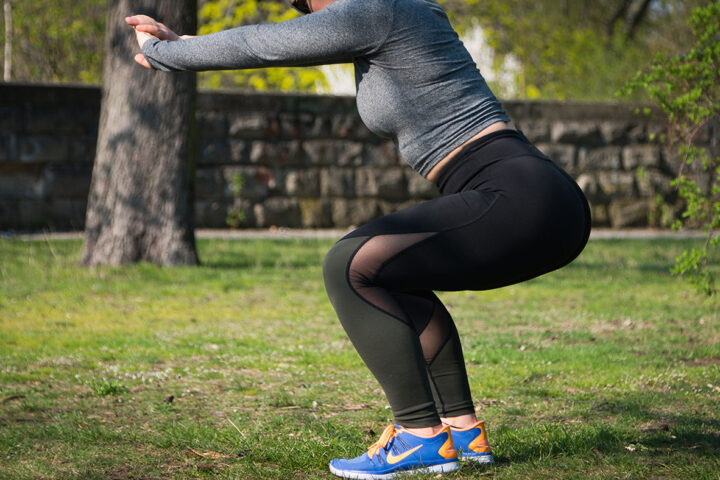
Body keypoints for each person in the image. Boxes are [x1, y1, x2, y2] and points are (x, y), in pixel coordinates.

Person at [127, 0, 591, 477]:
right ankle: (461, 431)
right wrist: (180, 43)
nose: (307, 9)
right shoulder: (391, 15)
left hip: (518, 195)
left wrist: (170, 54)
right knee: (394, 275)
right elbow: (276, 41)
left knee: (348, 266)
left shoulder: (378, 10)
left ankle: (418, 436)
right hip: (540, 198)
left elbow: (261, 44)